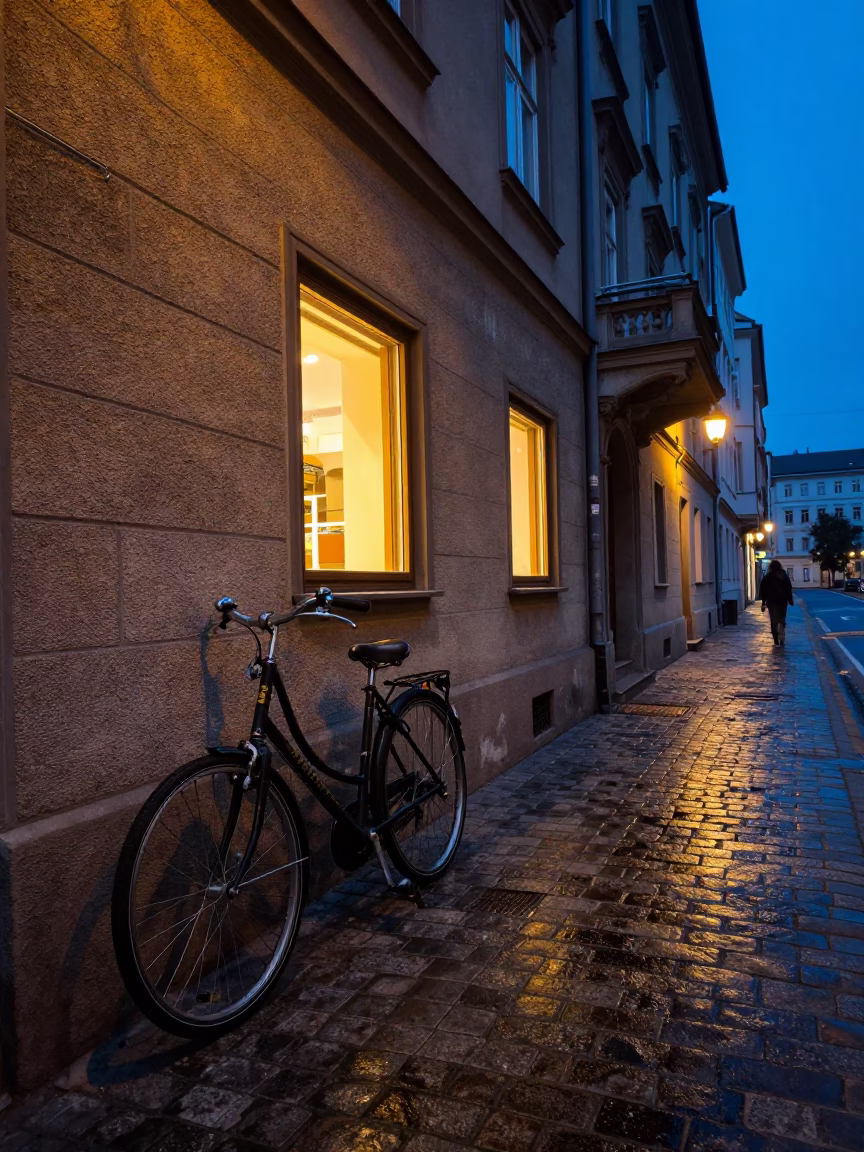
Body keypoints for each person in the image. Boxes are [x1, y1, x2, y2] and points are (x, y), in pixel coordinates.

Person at [759, 559, 794, 646]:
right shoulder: (784, 576)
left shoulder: (768, 576)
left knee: (773, 620)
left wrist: (763, 602)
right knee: (782, 619)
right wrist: (790, 600)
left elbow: (763, 590)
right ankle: (782, 638)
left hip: (771, 601)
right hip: (782, 601)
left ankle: (775, 640)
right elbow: (788, 588)